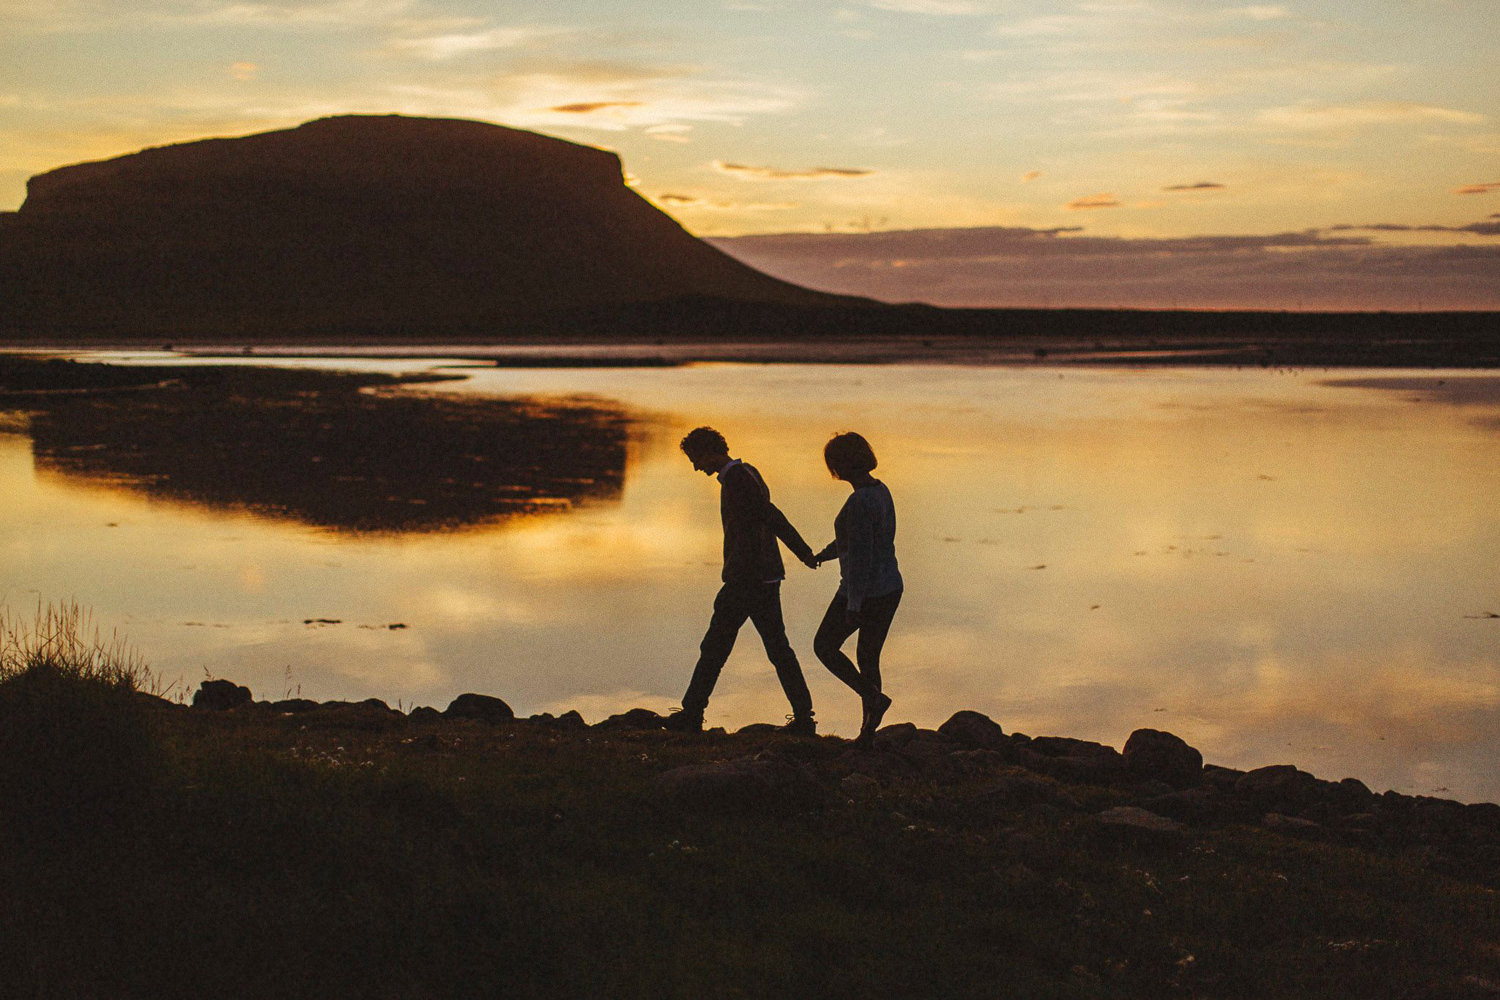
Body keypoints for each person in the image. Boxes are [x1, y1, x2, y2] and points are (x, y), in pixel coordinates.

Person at [664, 426, 820, 735]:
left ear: (710, 451)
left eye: (696, 459)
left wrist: (803, 552)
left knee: (716, 647)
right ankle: (804, 717)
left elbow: (771, 516)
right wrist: (801, 553)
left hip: (748, 579)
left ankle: (692, 713)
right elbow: (769, 518)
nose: (697, 468)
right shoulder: (748, 472)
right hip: (763, 576)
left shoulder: (737, 480)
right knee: (776, 649)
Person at [811, 432, 902, 746]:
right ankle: (869, 732)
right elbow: (858, 540)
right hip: (889, 587)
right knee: (868, 657)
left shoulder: (859, 501)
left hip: (865, 591)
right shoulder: (880, 491)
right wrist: (825, 553)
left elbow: (861, 555)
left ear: (840, 465)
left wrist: (853, 604)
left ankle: (873, 700)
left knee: (824, 646)